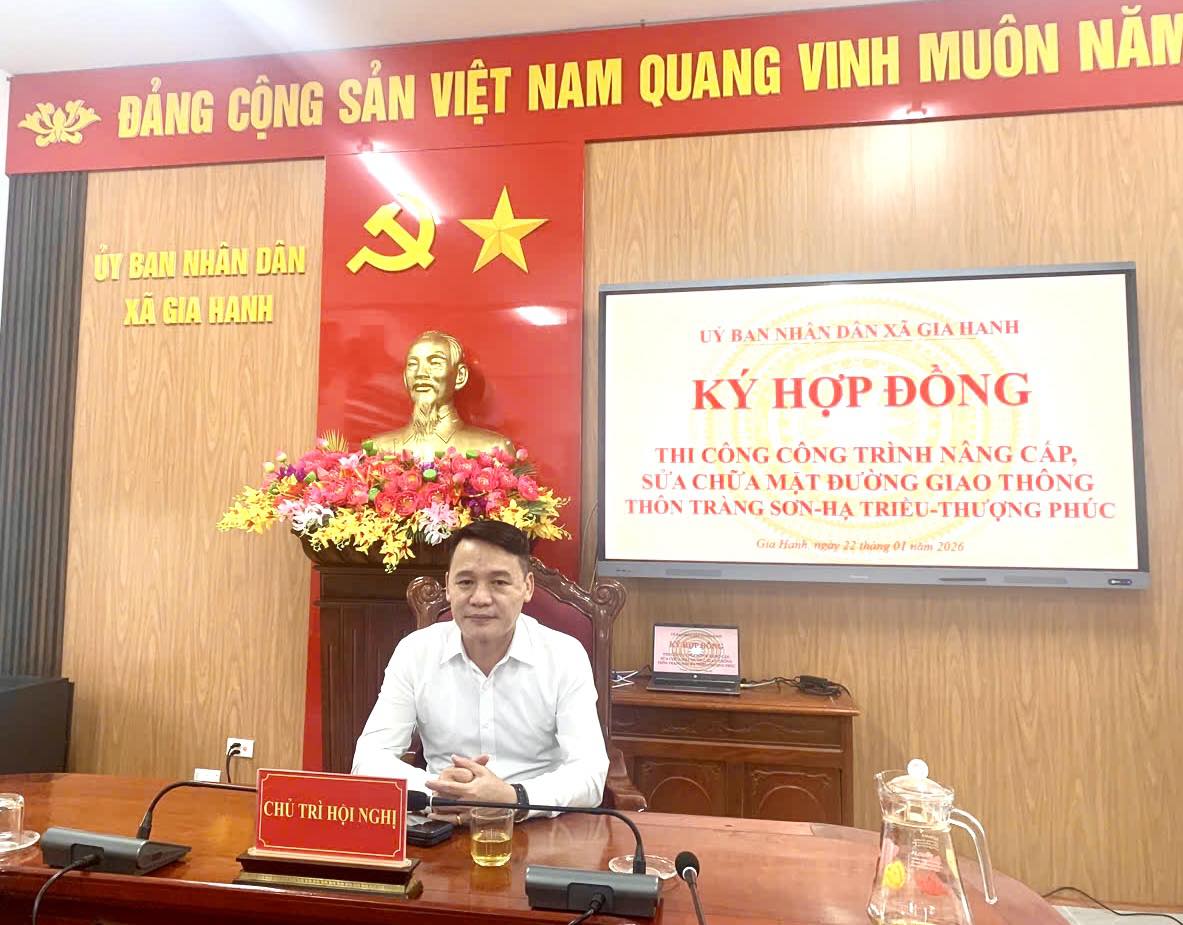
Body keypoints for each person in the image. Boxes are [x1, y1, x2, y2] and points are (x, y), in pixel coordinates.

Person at [351, 520, 608, 820]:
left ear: (527, 587)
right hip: (441, 822)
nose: (480, 598)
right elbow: (368, 760)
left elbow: (590, 774)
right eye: (465, 582)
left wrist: (514, 798)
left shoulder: (564, 655)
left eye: (499, 582)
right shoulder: (415, 652)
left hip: (536, 826)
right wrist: (437, 792)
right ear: (448, 586)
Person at [369, 330, 513, 461]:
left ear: (460, 376)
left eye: (435, 363)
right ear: (406, 379)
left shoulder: (492, 450)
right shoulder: (377, 450)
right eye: (413, 364)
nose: (420, 373)